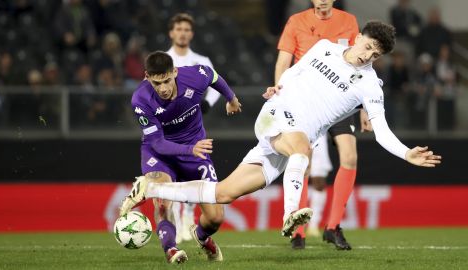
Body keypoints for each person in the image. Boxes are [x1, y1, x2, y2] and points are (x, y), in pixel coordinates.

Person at [120, 21, 442, 254]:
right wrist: (279, 87)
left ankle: (151, 187)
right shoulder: (326, 49)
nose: (367, 54)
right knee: (302, 149)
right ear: (357, 38)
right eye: (367, 45)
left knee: (223, 195)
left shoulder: (370, 86)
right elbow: (295, 72)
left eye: (375, 53)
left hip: (289, 139)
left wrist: (405, 153)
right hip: (278, 115)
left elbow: (381, 128)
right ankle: (290, 215)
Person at [121, 51, 242, 264]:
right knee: (162, 202)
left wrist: (231, 98)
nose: (163, 88)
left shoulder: (194, 76)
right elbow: (157, 143)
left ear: (175, 72)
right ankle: (171, 249)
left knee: (215, 218)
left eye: (167, 80)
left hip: (195, 151)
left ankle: (202, 236)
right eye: (157, 83)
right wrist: (189, 150)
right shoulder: (140, 99)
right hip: (160, 155)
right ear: (147, 77)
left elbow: (214, 77)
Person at [274, 0, 367, 250]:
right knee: (303, 161)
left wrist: (365, 107)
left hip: (338, 99)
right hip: (304, 100)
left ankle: (333, 226)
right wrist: (280, 95)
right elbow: (283, 62)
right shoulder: (297, 21)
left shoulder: (348, 21)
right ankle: (298, 231)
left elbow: (361, 63)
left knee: (350, 156)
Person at [166, 13, 221, 244]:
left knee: (193, 168)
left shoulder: (201, 60)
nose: (182, 33)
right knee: (174, 171)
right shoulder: (163, 59)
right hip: (168, 128)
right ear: (171, 32)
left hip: (192, 127)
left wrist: (207, 103)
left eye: (187, 29)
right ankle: (178, 219)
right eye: (179, 29)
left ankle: (188, 215)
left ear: (192, 34)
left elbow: (217, 84)